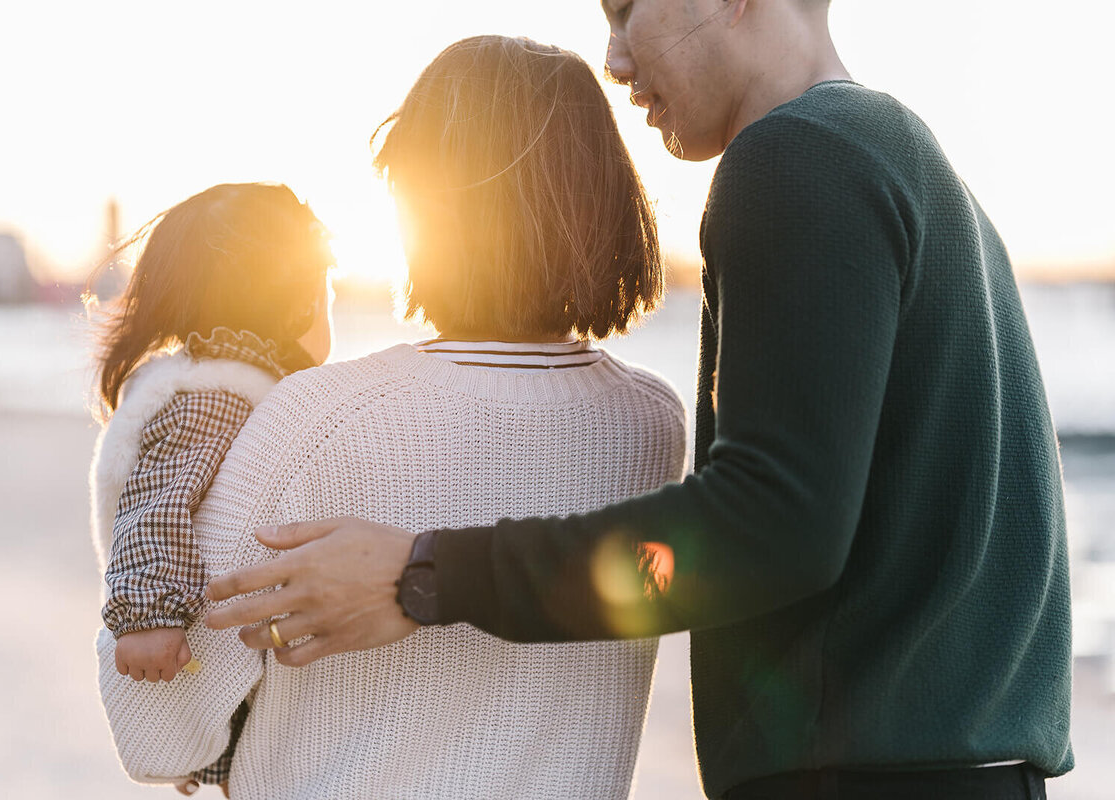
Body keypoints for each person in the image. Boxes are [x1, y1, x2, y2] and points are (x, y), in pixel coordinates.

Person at [205, 2, 1074, 799]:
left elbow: (774, 524)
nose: (613, 60)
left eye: (627, 10)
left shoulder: (796, 158)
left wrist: (423, 575)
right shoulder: (902, 152)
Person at [97, 36, 686, 798]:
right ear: (611, 200)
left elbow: (157, 733)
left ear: (418, 207)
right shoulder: (652, 426)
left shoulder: (313, 419)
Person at [89, 182, 334, 794]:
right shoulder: (220, 397)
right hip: (180, 620)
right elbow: (158, 500)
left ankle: (210, 762)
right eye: (323, 297)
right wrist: (147, 616)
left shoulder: (210, 381)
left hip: (204, 617)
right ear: (294, 303)